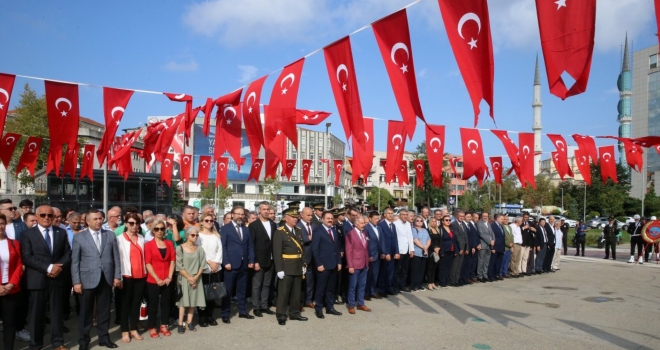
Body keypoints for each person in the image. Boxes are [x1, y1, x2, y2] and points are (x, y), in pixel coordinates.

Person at [20, 205, 71, 350]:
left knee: (56, 312)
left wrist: (58, 267)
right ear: (36, 217)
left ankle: (58, 342)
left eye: (50, 215)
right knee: (36, 314)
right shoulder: (27, 234)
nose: (46, 218)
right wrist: (49, 268)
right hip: (37, 279)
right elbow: (27, 257)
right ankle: (35, 345)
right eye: (42, 215)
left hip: (57, 278)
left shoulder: (61, 232)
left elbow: (68, 253)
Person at [71, 210, 121, 350]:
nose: (99, 221)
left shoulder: (109, 235)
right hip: (86, 279)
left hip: (106, 278)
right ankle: (84, 341)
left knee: (104, 311)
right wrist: (76, 282)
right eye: (95, 219)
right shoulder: (79, 237)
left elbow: (115, 257)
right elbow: (75, 261)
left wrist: (117, 276)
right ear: (87, 221)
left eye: (100, 218)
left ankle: (104, 338)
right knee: (85, 313)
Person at [220, 206, 255, 323]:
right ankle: (225, 313)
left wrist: (251, 260)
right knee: (228, 291)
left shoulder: (246, 229)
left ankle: (243, 311)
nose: (240, 216)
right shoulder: (225, 229)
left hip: (244, 264)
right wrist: (226, 262)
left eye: (242, 214)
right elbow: (223, 247)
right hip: (231, 265)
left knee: (242, 290)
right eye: (237, 214)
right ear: (232, 214)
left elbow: (250, 246)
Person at [272, 207, 307, 325]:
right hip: (286, 267)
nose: (295, 219)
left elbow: (301, 249)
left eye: (296, 217)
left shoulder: (298, 230)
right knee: (284, 293)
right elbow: (277, 252)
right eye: (292, 217)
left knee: (296, 293)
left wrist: (303, 264)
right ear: (286, 218)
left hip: (297, 266)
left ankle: (294, 313)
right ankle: (281, 315)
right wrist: (279, 269)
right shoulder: (280, 232)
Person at [116, 213, 146, 343]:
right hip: (126, 275)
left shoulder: (141, 238)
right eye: (131, 223)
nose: (134, 226)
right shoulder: (119, 239)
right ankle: (124, 330)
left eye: (136, 223)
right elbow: (116, 260)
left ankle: (133, 328)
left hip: (141, 275)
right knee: (125, 304)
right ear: (126, 224)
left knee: (136, 303)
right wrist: (117, 277)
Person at [144, 219, 176, 338]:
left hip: (167, 278)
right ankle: (152, 326)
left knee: (166, 303)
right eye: (157, 229)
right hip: (153, 279)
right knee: (153, 304)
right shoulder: (148, 245)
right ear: (153, 231)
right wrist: (157, 278)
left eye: (162, 229)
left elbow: (172, 261)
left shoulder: (169, 243)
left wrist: (169, 276)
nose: (159, 231)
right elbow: (148, 263)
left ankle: (164, 324)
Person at [312, 210, 343, 318]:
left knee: (331, 288)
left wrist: (339, 262)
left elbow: (337, 248)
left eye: (331, 218)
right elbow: (315, 249)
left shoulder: (333, 231)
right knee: (321, 288)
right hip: (323, 265)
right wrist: (318, 264)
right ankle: (319, 308)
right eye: (327, 218)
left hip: (334, 264)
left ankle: (330, 307)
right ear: (322, 220)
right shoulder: (318, 231)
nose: (330, 220)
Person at [0, 213, 24, 350]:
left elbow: (19, 265)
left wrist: (11, 284)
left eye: (2, 223)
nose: (0, 226)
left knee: (10, 323)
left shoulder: (14, 243)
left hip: (11, 288)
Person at [176, 227, 206, 333]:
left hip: (196, 278)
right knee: (183, 302)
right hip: (184, 278)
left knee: (193, 301)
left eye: (197, 235)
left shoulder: (200, 249)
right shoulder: (180, 248)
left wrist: (195, 277)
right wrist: (189, 278)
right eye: (193, 235)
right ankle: (180, 323)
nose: (195, 237)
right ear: (187, 236)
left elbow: (203, 265)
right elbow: (179, 266)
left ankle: (189, 322)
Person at [249, 202, 276, 317]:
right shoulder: (254, 225)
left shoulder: (273, 224)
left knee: (267, 284)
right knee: (257, 285)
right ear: (259, 210)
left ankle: (264, 305)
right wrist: (254, 261)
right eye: (264, 209)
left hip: (271, 259)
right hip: (259, 260)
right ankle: (256, 307)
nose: (266, 211)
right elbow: (252, 244)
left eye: (268, 209)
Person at [197, 212, 223, 326]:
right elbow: (199, 251)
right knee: (202, 294)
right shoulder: (198, 236)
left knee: (212, 293)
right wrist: (209, 262)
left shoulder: (216, 235)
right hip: (203, 268)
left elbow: (220, 250)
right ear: (201, 222)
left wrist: (216, 263)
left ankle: (210, 316)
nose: (209, 223)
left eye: (211, 221)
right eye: (206, 220)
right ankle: (202, 317)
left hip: (215, 268)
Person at [345, 215, 371, 313]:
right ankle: (351, 305)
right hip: (355, 264)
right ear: (356, 224)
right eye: (361, 223)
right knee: (353, 286)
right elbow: (348, 251)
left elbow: (365, 249)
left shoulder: (364, 233)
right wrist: (350, 265)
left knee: (362, 285)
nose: (363, 225)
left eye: (364, 223)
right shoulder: (350, 234)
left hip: (364, 263)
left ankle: (360, 303)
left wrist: (367, 263)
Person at [297, 206, 317, 308]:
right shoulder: (297, 226)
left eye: (311, 215)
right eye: (308, 215)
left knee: (310, 280)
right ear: (302, 215)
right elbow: (297, 239)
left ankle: (308, 300)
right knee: (301, 282)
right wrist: (307, 238)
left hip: (312, 257)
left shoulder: (314, 226)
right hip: (302, 258)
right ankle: (299, 302)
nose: (310, 217)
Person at [376, 208, 398, 296]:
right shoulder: (381, 225)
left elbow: (395, 239)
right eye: (388, 213)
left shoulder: (393, 225)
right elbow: (381, 240)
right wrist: (385, 253)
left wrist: (396, 252)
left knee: (390, 272)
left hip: (392, 253)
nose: (390, 215)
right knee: (383, 272)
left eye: (392, 213)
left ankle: (388, 287)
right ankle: (381, 290)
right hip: (385, 253)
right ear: (384, 215)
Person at [392, 209, 414, 293]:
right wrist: (396, 251)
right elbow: (395, 239)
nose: (405, 216)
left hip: (407, 250)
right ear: (400, 215)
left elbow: (410, 237)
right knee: (397, 270)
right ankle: (395, 286)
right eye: (403, 214)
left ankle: (402, 285)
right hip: (399, 250)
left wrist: (411, 249)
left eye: (406, 214)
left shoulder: (408, 224)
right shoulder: (395, 224)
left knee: (405, 270)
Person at [364, 211, 382, 299]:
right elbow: (366, 243)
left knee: (375, 275)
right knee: (368, 275)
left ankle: (372, 290)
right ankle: (366, 292)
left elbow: (381, 241)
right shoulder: (366, 228)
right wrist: (369, 255)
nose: (377, 220)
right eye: (375, 218)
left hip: (378, 255)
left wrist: (383, 252)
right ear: (370, 218)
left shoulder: (378, 227)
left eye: (378, 218)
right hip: (370, 255)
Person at [410, 215, 430, 292]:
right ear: (414, 222)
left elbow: (429, 240)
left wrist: (426, 248)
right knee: (415, 270)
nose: (419, 222)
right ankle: (414, 285)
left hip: (424, 253)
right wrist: (423, 247)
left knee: (422, 270)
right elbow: (415, 240)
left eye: (421, 221)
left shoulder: (425, 230)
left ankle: (419, 284)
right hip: (417, 252)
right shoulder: (413, 229)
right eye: (417, 220)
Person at [449, 210, 467, 286]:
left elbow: (466, 237)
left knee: (459, 265)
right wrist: (461, 248)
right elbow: (457, 237)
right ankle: (452, 280)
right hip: (458, 248)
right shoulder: (454, 224)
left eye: (463, 216)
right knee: (455, 265)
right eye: (460, 216)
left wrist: (467, 248)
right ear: (456, 216)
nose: (462, 218)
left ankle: (457, 279)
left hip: (464, 247)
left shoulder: (463, 224)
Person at [438, 215, 457, 287]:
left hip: (451, 250)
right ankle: (442, 281)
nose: (448, 221)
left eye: (449, 220)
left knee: (449, 266)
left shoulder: (451, 229)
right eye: (446, 220)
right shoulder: (441, 229)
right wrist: (441, 251)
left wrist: (455, 250)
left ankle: (446, 280)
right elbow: (441, 241)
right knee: (443, 266)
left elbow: (454, 240)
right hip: (444, 250)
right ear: (442, 221)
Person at [476, 212, 494, 282]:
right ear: (481, 216)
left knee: (487, 261)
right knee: (481, 261)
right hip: (483, 245)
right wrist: (490, 241)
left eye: (486, 216)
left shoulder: (488, 224)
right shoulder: (479, 224)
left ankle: (485, 274)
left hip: (489, 246)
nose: (485, 217)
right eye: (484, 216)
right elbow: (481, 234)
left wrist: (493, 240)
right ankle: (479, 275)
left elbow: (492, 233)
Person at [462, 213, 480, 284]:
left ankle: (469, 277)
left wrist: (478, 244)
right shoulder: (466, 225)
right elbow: (469, 238)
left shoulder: (472, 225)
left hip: (473, 247)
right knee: (467, 264)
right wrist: (473, 246)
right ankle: (466, 277)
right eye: (468, 217)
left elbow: (476, 236)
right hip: (468, 247)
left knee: (472, 263)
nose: (469, 218)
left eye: (470, 217)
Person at [426, 217, 441, 290]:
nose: (434, 223)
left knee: (434, 268)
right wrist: (434, 248)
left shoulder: (437, 230)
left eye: (435, 221)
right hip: (430, 250)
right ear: (430, 222)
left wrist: (438, 248)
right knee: (430, 267)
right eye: (432, 221)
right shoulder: (428, 230)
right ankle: (429, 283)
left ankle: (433, 282)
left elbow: (440, 240)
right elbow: (428, 241)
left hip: (437, 251)